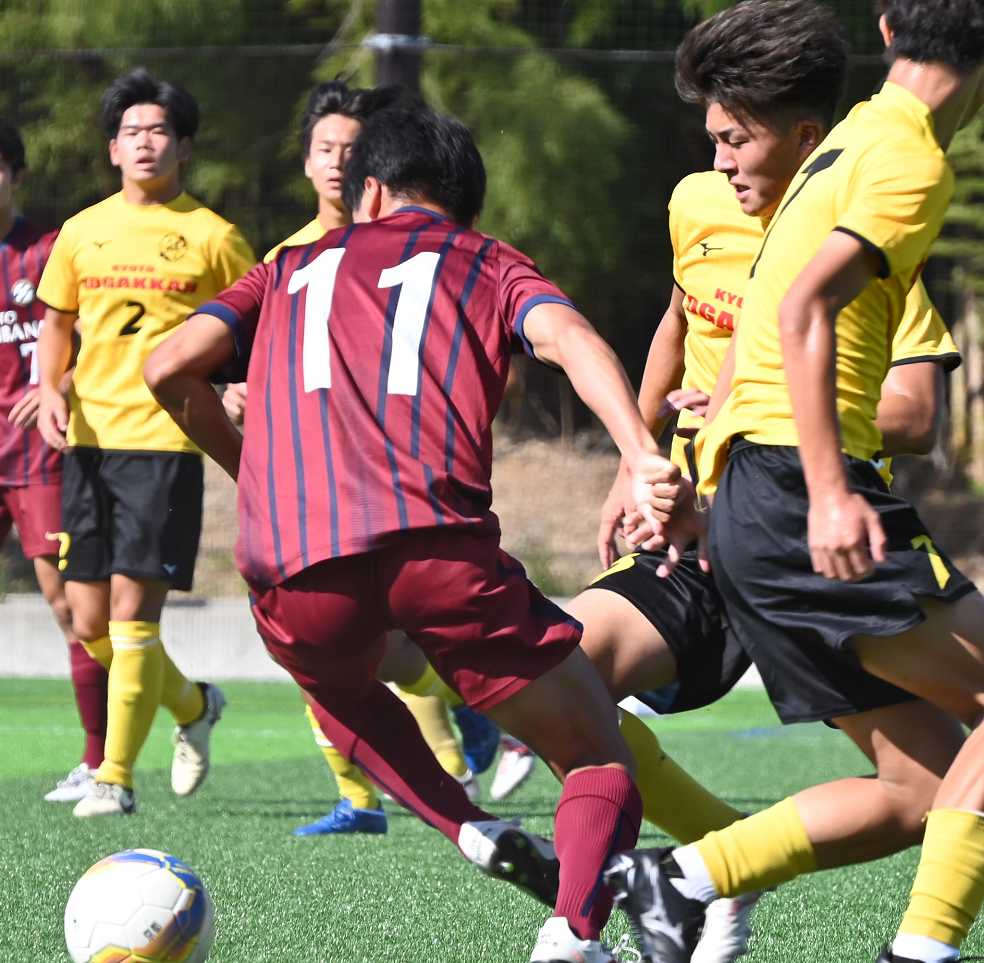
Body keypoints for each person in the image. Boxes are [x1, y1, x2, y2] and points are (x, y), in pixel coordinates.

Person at [145, 103, 682, 963]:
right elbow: (570, 339)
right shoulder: (485, 261)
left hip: (292, 566)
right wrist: (639, 452)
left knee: (343, 692)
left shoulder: (285, 269)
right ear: (459, 205)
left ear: (371, 193)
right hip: (435, 547)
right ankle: (572, 938)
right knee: (595, 758)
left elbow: (167, 367)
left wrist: (249, 472)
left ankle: (468, 829)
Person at [607, 0, 984, 962]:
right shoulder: (903, 156)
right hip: (793, 493)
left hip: (753, 499)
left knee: (915, 790)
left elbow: (756, 314)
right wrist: (824, 489)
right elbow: (800, 311)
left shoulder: (843, 144)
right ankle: (926, 949)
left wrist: (711, 478)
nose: (724, 161)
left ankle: (686, 874)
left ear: (892, 32)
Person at [224, 79, 500, 837]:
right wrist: (242, 406)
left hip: (389, 487)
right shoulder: (287, 261)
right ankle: (372, 791)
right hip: (303, 493)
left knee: (365, 642)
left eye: (351, 149)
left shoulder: (431, 259)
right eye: (325, 149)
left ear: (374, 171)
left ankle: (445, 765)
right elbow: (225, 367)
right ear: (310, 164)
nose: (337, 163)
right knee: (343, 645)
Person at [35, 68, 256, 818]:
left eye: (159, 131)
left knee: (133, 619)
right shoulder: (80, 230)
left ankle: (115, 779)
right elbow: (57, 323)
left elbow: (250, 329)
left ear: (183, 146)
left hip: (166, 445)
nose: (146, 143)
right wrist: (49, 387)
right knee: (90, 625)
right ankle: (193, 704)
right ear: (112, 148)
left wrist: (235, 381)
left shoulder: (214, 236)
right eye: (133, 132)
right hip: (90, 448)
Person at [0, 118, 109, 802]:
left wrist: (54, 389)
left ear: (13, 173)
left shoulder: (46, 251)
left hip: (39, 452)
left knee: (68, 605)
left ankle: (98, 759)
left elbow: (94, 336)